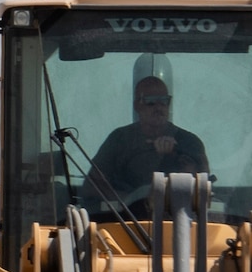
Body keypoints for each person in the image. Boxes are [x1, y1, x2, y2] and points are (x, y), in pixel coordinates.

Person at [83, 75, 208, 205]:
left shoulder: (189, 142)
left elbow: (202, 190)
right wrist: (129, 200)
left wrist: (173, 157)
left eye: (164, 101)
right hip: (124, 220)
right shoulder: (119, 140)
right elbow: (91, 187)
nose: (158, 108)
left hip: (180, 220)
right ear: (137, 105)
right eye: (150, 102)